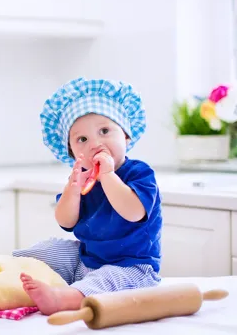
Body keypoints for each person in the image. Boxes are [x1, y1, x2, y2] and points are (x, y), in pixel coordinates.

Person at [12, 77, 162, 315]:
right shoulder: (82, 178)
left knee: (105, 279)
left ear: (125, 135)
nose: (95, 143)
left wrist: (109, 175)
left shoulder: (139, 172)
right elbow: (65, 221)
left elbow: (134, 212)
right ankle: (5, 268)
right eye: (82, 139)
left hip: (131, 266)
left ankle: (63, 299)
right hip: (86, 259)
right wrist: (73, 188)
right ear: (72, 152)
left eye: (104, 131)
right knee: (48, 249)